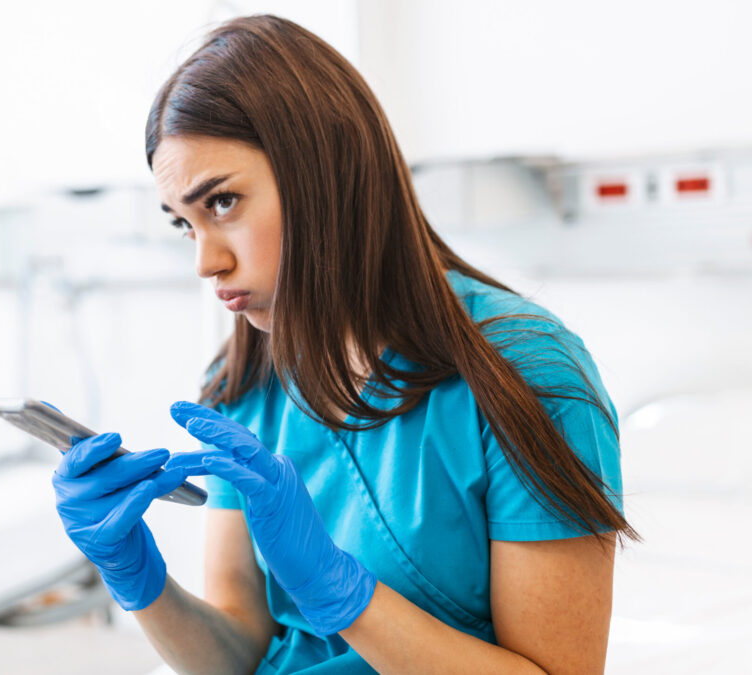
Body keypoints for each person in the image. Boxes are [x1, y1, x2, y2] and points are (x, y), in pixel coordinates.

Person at [50, 14, 638, 674]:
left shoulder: (528, 376)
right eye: (185, 225)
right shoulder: (245, 384)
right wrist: (140, 582)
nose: (206, 262)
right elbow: (237, 652)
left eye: (222, 203)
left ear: (324, 172)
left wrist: (343, 592)